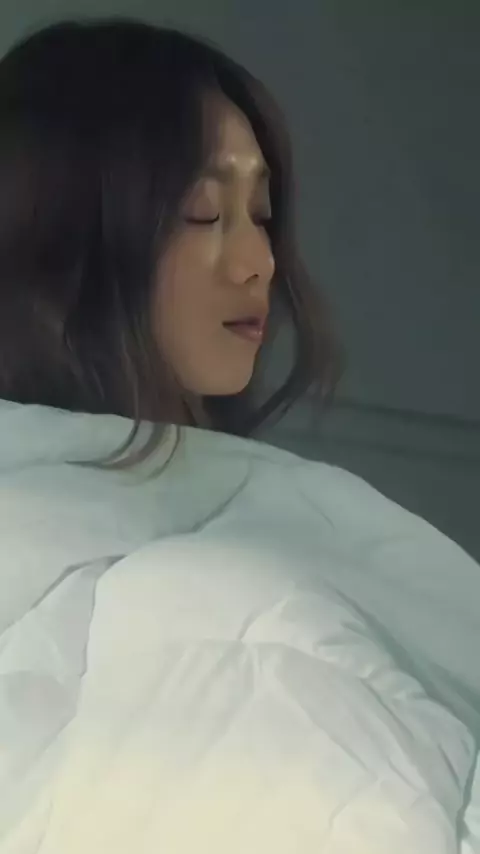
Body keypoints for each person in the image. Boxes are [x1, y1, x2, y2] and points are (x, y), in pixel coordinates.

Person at [0, 19, 479, 854]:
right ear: (63, 234)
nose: (259, 260)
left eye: (261, 212)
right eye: (203, 211)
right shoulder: (200, 593)